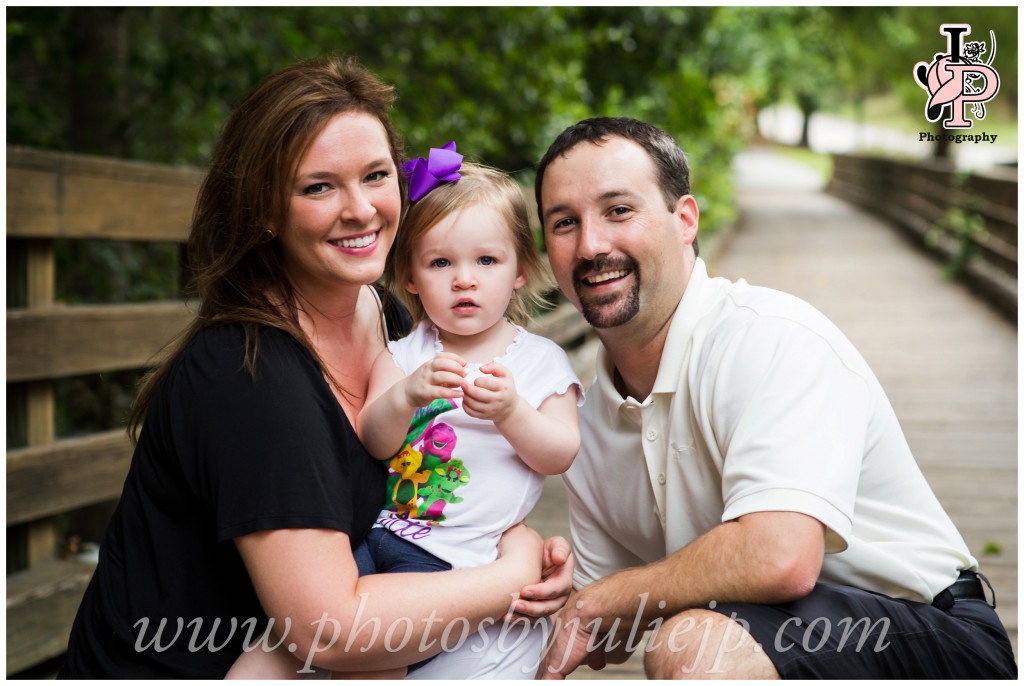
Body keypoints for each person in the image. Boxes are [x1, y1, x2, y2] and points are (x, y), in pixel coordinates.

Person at [57, 56, 573, 680]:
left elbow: (460, 471)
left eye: (376, 175)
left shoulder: (391, 319)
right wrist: (510, 578)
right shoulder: (247, 375)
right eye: (318, 186)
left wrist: (519, 542)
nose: (360, 209)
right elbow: (332, 632)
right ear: (267, 211)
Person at [532, 116, 1017, 680]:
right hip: (767, 641)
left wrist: (601, 601)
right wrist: (536, 590)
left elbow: (779, 557)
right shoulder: (584, 425)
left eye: (619, 210)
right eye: (564, 222)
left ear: (685, 219)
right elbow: (602, 627)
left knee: (692, 645)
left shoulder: (770, 338)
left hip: (931, 634)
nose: (591, 244)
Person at [229, 151, 585, 679]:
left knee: (376, 659)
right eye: (441, 263)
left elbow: (559, 453)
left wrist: (511, 412)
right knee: (278, 645)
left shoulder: (539, 363)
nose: (464, 280)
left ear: (519, 272)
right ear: (411, 277)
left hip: (454, 562)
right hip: (375, 533)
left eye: (486, 261)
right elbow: (374, 439)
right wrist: (406, 396)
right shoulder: (403, 353)